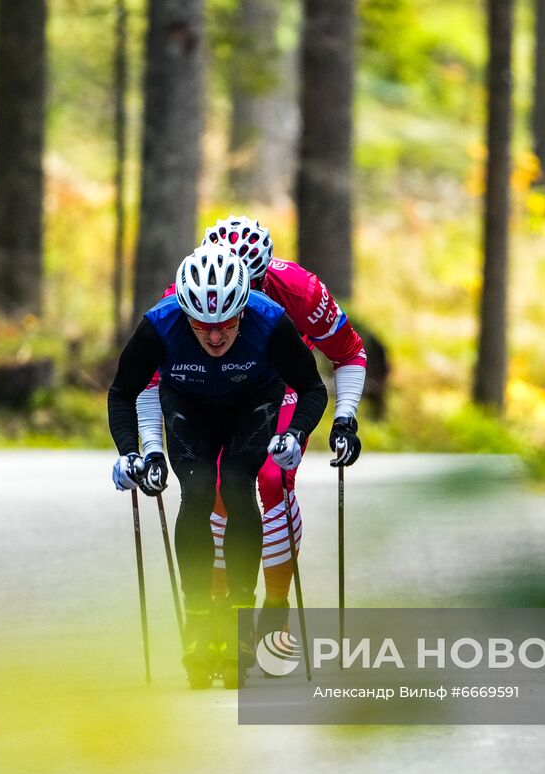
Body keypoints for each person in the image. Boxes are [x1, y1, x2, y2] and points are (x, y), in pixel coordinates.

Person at [135, 216, 367, 645]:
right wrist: (147, 445)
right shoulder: (183, 296)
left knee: (271, 478)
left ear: (266, 273)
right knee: (218, 487)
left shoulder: (301, 290)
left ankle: (275, 606)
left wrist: (345, 419)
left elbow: (348, 354)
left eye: (253, 287)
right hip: (214, 386)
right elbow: (147, 378)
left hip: (282, 385)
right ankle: (224, 611)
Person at [109, 243, 329, 689]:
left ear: (243, 312)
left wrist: (295, 434)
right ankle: (199, 621)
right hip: (188, 401)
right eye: (202, 326)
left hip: (252, 401)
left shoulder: (269, 320)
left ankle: (237, 620)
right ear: (184, 313)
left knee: (236, 484)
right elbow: (121, 392)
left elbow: (312, 388)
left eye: (226, 325)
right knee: (197, 488)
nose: (214, 337)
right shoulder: (160, 323)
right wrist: (129, 451)